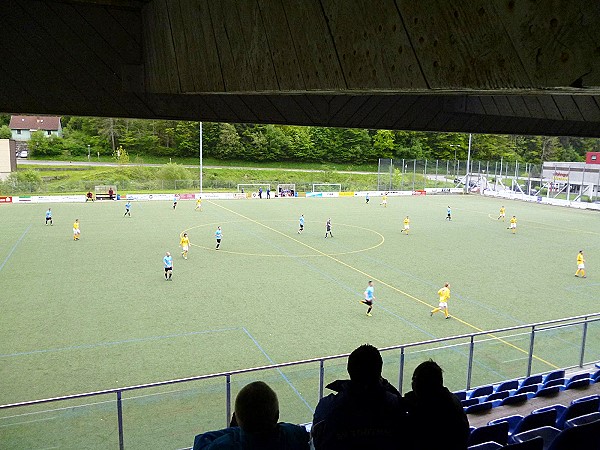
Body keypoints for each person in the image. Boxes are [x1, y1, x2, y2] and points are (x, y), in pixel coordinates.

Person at [312, 344, 410, 449]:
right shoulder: (396, 405)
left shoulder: (328, 406)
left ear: (349, 369)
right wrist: (385, 384)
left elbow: (318, 439)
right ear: (379, 371)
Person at [193, 381, 310, 450]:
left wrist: (234, 429)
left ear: (237, 419)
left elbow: (201, 441)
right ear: (277, 415)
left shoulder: (224, 445)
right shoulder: (295, 434)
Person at [404, 360, 469, 450]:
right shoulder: (452, 399)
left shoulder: (426, 411)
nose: (412, 384)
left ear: (422, 385)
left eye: (415, 380)